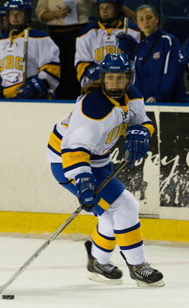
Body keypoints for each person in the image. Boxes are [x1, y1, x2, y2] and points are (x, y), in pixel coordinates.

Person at [47, 52, 164, 287]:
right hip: (67, 160)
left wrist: (143, 131)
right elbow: (73, 148)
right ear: (102, 78)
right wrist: (83, 180)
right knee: (126, 206)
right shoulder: (94, 107)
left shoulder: (133, 95)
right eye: (110, 78)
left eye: (121, 78)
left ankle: (98, 263)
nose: (115, 83)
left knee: (110, 213)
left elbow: (143, 121)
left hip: (98, 158)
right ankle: (137, 266)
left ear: (128, 78)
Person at [36, 0, 105, 100]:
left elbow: (109, 0)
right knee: (58, 73)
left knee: (75, 73)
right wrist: (55, 14)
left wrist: (133, 16)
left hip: (78, 34)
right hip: (54, 35)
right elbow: (40, 12)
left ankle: (78, 103)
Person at [0, 0, 60, 100]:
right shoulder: (1, 41)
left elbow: (52, 69)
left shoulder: (40, 38)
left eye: (19, 13)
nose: (15, 17)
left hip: (35, 99)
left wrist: (36, 86)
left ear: (27, 16)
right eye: (12, 13)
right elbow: (0, 70)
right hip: (7, 100)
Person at [75, 0, 140, 88]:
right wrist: (99, 75)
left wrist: (133, 54)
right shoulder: (87, 33)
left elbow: (143, 65)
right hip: (96, 87)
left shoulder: (134, 32)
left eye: (108, 7)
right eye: (101, 7)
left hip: (126, 87)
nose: (104, 11)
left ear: (118, 8)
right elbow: (81, 64)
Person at [130, 5, 186, 103]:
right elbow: (138, 79)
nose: (146, 22)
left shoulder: (169, 41)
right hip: (147, 105)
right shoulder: (140, 47)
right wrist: (136, 99)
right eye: (141, 19)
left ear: (156, 19)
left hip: (171, 104)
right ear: (137, 24)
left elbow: (173, 74)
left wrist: (161, 96)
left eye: (149, 18)